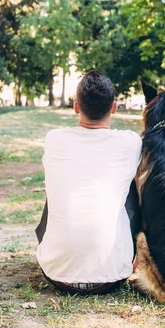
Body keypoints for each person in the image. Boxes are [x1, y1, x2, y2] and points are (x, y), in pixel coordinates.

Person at [35, 70, 142, 295]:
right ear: (114, 107)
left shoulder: (54, 138)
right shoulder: (131, 142)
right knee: (131, 184)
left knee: (60, 183)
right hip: (111, 277)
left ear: (76, 106)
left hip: (57, 275)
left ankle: (66, 251)